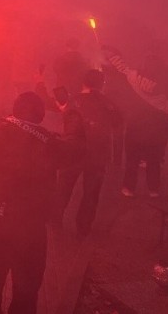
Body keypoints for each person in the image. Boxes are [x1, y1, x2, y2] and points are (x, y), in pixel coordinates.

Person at [0, 57, 85, 314]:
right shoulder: (51, 144)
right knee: (26, 293)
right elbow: (77, 145)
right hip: (31, 232)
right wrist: (69, 110)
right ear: (42, 115)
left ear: (14, 110)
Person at [54, 69, 121, 236]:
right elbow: (118, 123)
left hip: (73, 151)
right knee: (91, 193)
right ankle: (83, 227)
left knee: (64, 186)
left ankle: (55, 218)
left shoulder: (74, 101)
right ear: (102, 84)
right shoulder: (109, 103)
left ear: (83, 83)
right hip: (98, 154)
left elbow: (67, 121)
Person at [102, 44, 168, 198]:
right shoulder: (167, 79)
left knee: (132, 158)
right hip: (156, 126)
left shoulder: (135, 76)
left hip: (136, 122)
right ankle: (153, 189)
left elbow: (121, 68)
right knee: (154, 159)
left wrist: (109, 55)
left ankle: (129, 187)